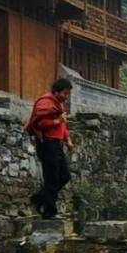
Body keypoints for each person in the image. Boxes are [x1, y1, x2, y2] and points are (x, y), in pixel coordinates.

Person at [26, 77, 74, 217]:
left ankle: (39, 198)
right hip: (46, 143)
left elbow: (63, 124)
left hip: (57, 144)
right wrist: (56, 120)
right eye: (64, 94)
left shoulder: (59, 105)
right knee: (51, 178)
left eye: (67, 94)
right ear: (56, 91)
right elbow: (39, 124)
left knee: (64, 176)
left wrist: (68, 140)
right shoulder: (45, 103)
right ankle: (49, 212)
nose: (66, 97)